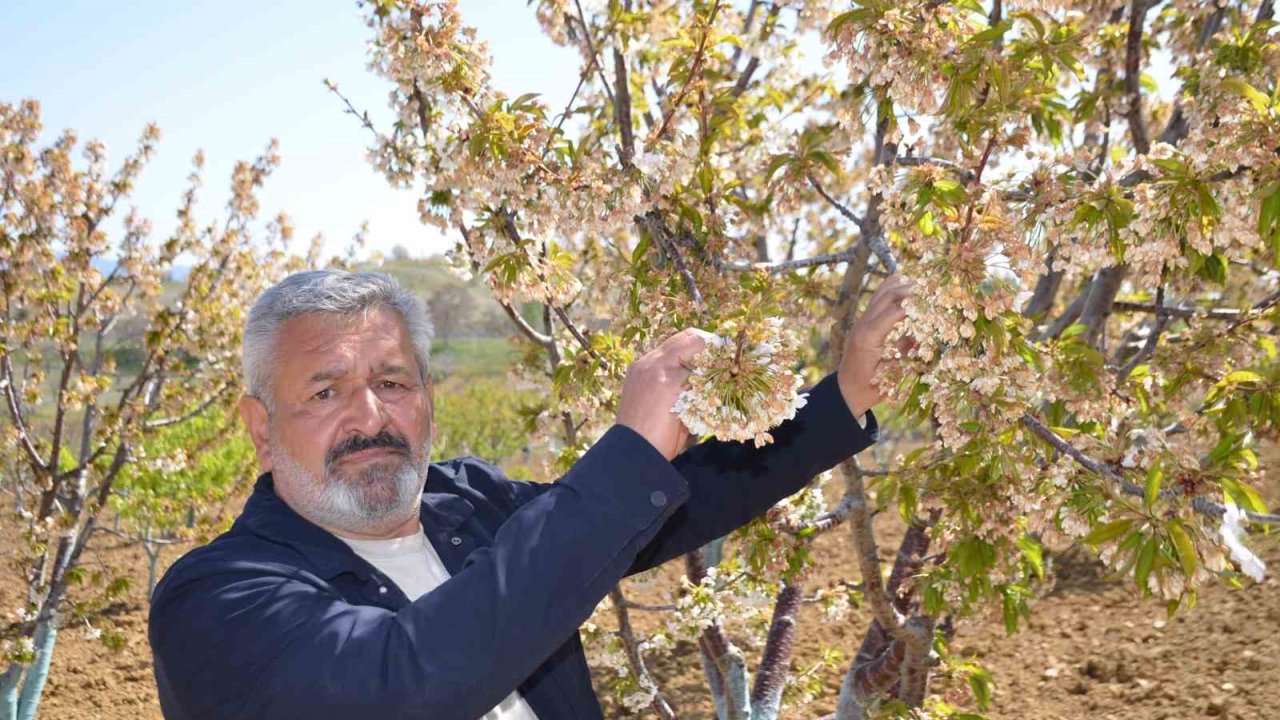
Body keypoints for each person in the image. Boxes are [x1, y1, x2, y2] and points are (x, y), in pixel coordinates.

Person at [149, 269, 910, 720]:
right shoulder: (217, 599)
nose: (371, 418)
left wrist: (842, 396)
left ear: (428, 399)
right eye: (325, 392)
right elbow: (402, 681)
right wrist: (628, 456)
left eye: (392, 382)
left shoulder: (468, 506)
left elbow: (673, 505)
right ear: (260, 424)